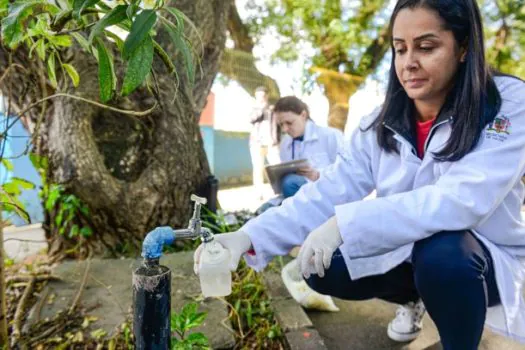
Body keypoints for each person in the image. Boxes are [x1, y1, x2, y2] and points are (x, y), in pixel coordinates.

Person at [195, 0, 525, 348]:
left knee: (443, 252)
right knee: (317, 265)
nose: (408, 62)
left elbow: (461, 200)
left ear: (463, 48)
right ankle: (413, 299)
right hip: (411, 254)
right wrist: (247, 237)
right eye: (399, 49)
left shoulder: (505, 104)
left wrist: (343, 224)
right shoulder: (379, 123)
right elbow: (328, 191)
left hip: (479, 259)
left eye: (426, 47)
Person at [273, 96, 343, 198]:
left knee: (290, 183)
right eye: (280, 125)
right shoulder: (285, 143)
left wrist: (317, 175)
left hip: (328, 193)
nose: (284, 129)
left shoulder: (331, 135)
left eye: (289, 123)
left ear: (303, 115)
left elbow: (345, 172)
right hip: (297, 194)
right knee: (265, 209)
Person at [249, 86, 281, 199]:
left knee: (276, 167)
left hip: (271, 143)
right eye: (259, 96)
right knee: (258, 168)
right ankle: (259, 194)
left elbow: (279, 125)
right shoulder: (254, 109)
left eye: (263, 96)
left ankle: (278, 191)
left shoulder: (273, 109)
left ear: (267, 96)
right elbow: (252, 119)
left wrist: (276, 140)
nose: (262, 98)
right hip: (257, 144)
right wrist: (261, 108)